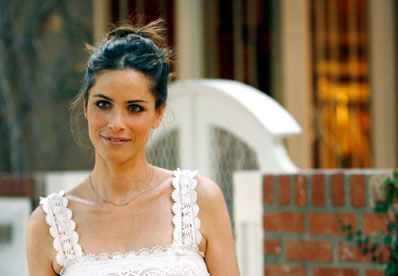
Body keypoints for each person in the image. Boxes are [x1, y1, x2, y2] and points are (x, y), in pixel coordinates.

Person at [26, 19, 240, 276]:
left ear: (158, 113)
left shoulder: (200, 201)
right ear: (85, 105)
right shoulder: (48, 224)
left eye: (134, 108)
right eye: (103, 104)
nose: (116, 123)